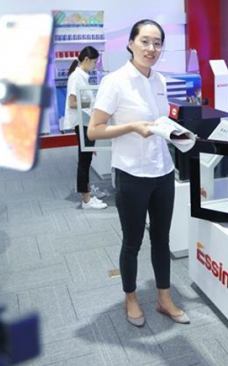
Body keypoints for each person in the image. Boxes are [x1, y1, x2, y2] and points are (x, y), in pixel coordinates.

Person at [87, 19, 189, 327]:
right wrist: (132, 126)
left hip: (162, 171)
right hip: (131, 174)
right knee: (132, 242)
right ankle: (130, 298)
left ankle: (164, 298)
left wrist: (176, 133)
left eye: (157, 43)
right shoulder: (115, 82)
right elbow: (94, 130)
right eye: (145, 41)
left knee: (161, 239)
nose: (151, 48)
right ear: (131, 43)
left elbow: (159, 121)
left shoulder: (160, 80)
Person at [64, 46, 107, 210]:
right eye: (94, 62)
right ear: (87, 60)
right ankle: (86, 199)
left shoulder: (81, 75)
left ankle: (87, 190)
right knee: (84, 160)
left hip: (86, 121)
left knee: (86, 159)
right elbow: (72, 102)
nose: (95, 66)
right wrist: (94, 103)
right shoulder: (77, 77)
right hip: (82, 122)